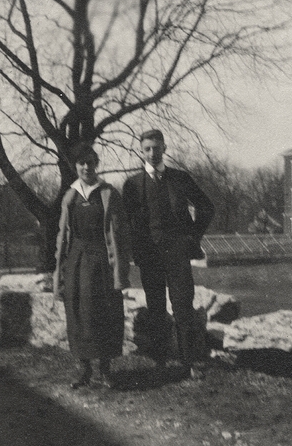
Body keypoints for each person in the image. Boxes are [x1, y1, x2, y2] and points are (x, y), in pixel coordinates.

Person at [122, 129, 214, 377]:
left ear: (165, 148)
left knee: (183, 306)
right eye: (147, 149)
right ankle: (160, 362)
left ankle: (189, 362)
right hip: (149, 256)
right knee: (156, 307)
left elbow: (206, 207)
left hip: (177, 253)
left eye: (156, 147)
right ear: (141, 151)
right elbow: (127, 222)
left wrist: (191, 237)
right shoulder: (132, 185)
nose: (152, 153)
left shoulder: (180, 179)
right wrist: (135, 250)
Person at [54, 144, 131, 389]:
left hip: (101, 261)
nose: (86, 167)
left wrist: (119, 268)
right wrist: (61, 268)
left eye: (91, 162)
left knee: (103, 313)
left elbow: (119, 233)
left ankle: (105, 370)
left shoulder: (108, 193)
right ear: (75, 166)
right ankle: (84, 370)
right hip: (76, 259)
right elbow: (62, 236)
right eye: (81, 163)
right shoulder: (70, 195)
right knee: (77, 313)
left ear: (97, 164)